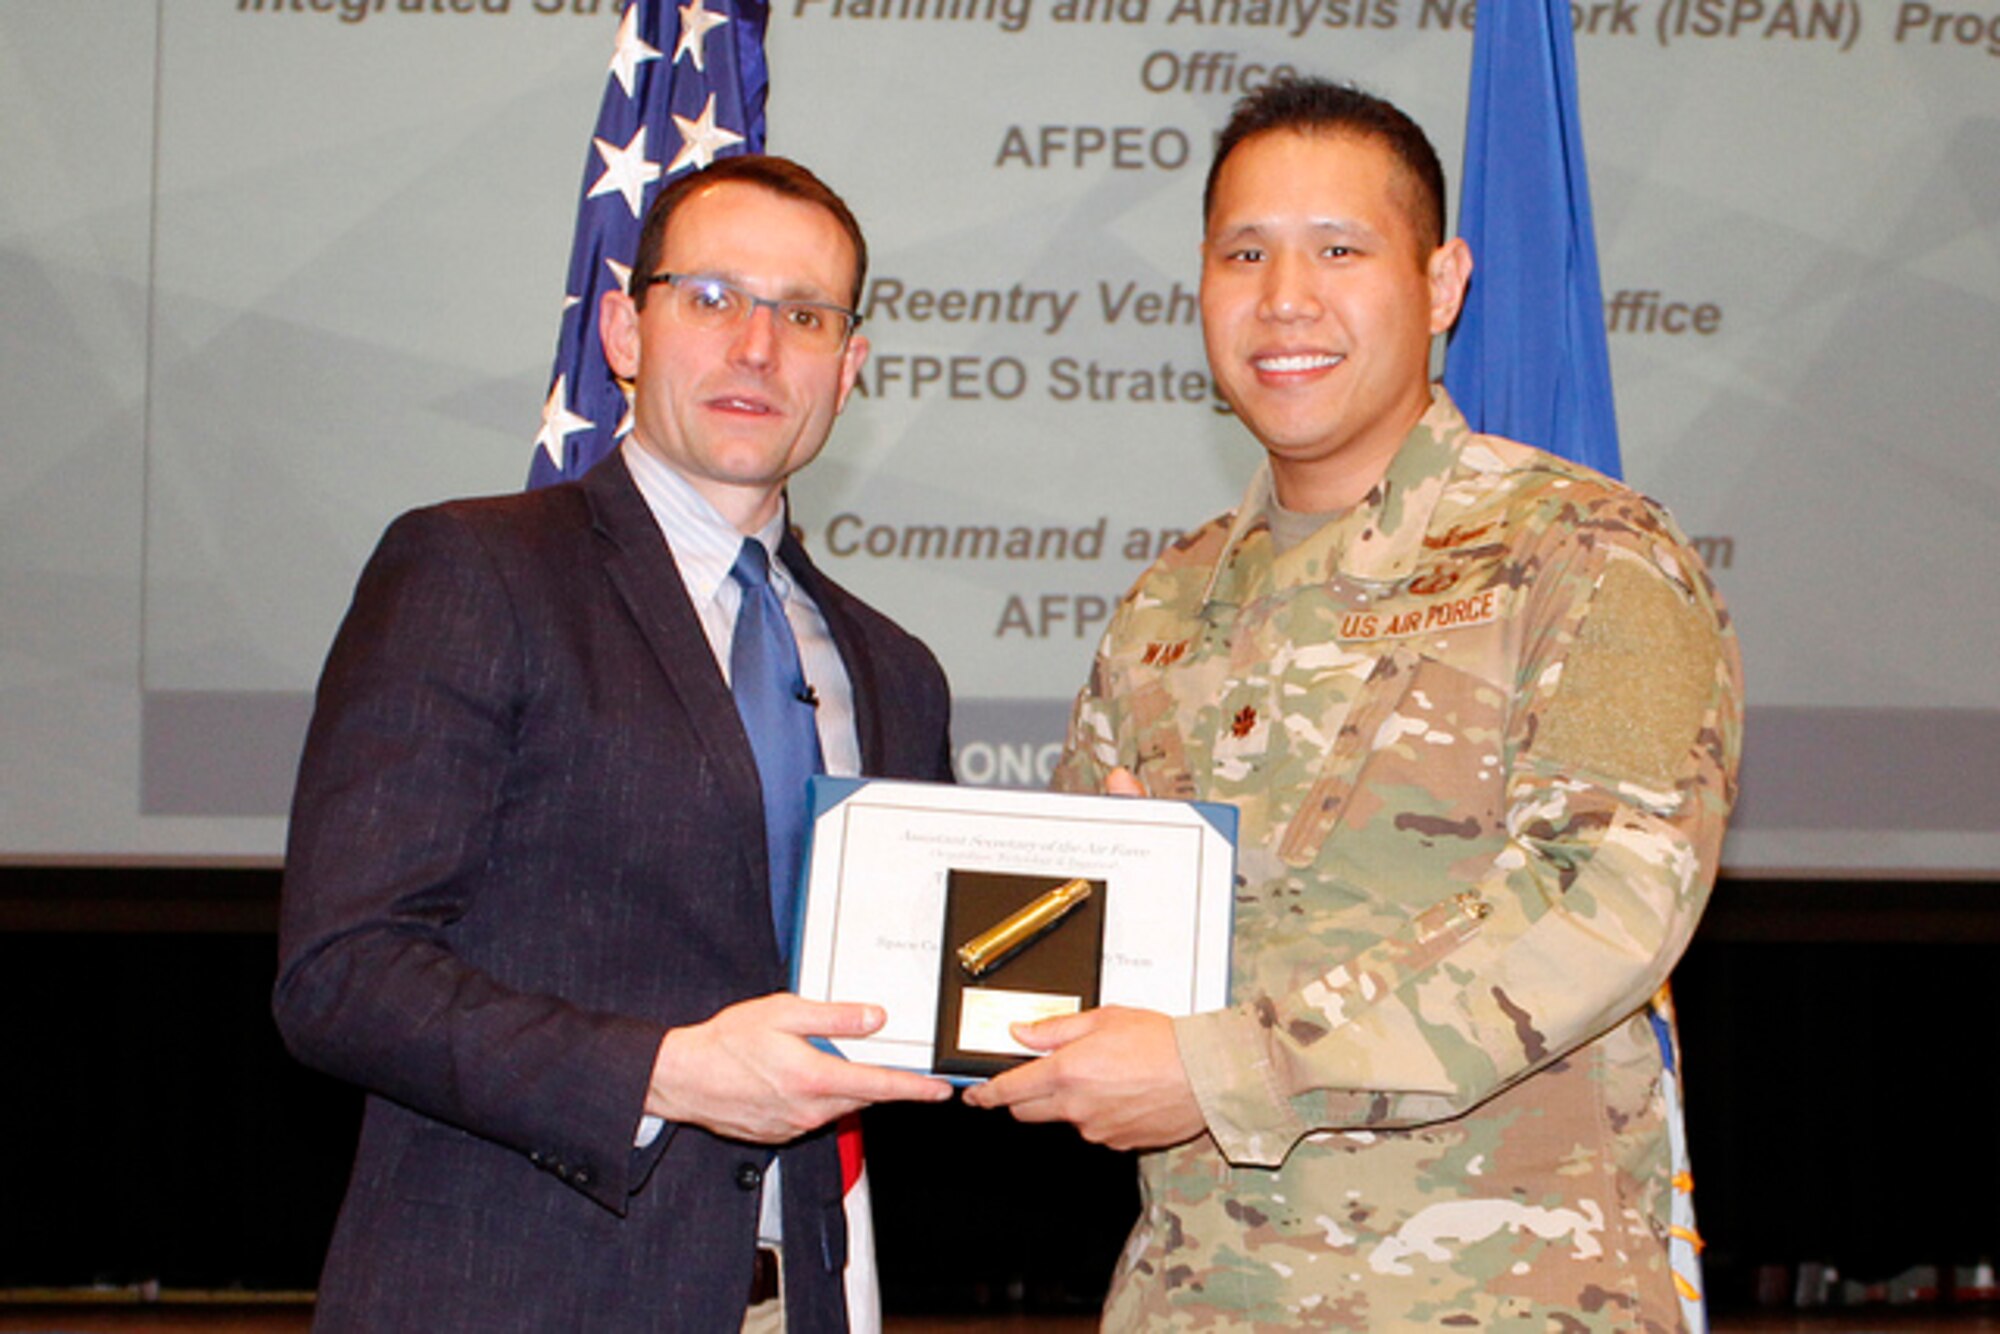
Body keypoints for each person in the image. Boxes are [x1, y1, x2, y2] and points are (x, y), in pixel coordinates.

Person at [965, 79, 1744, 1330]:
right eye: (1244, 252)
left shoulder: (1590, 556)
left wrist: (1224, 1069)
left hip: (1501, 1302)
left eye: (1339, 249)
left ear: (1439, 285)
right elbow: (1080, 966)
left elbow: (1599, 897)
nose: (1284, 297)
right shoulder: (1165, 605)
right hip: (1193, 1295)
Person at [274, 154, 955, 1332]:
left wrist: (1102, 902)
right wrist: (665, 1072)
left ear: (849, 369)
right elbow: (342, 973)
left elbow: (934, 988)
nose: (757, 346)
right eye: (711, 297)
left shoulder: (894, 669)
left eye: (803, 314)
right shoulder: (475, 571)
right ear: (623, 331)